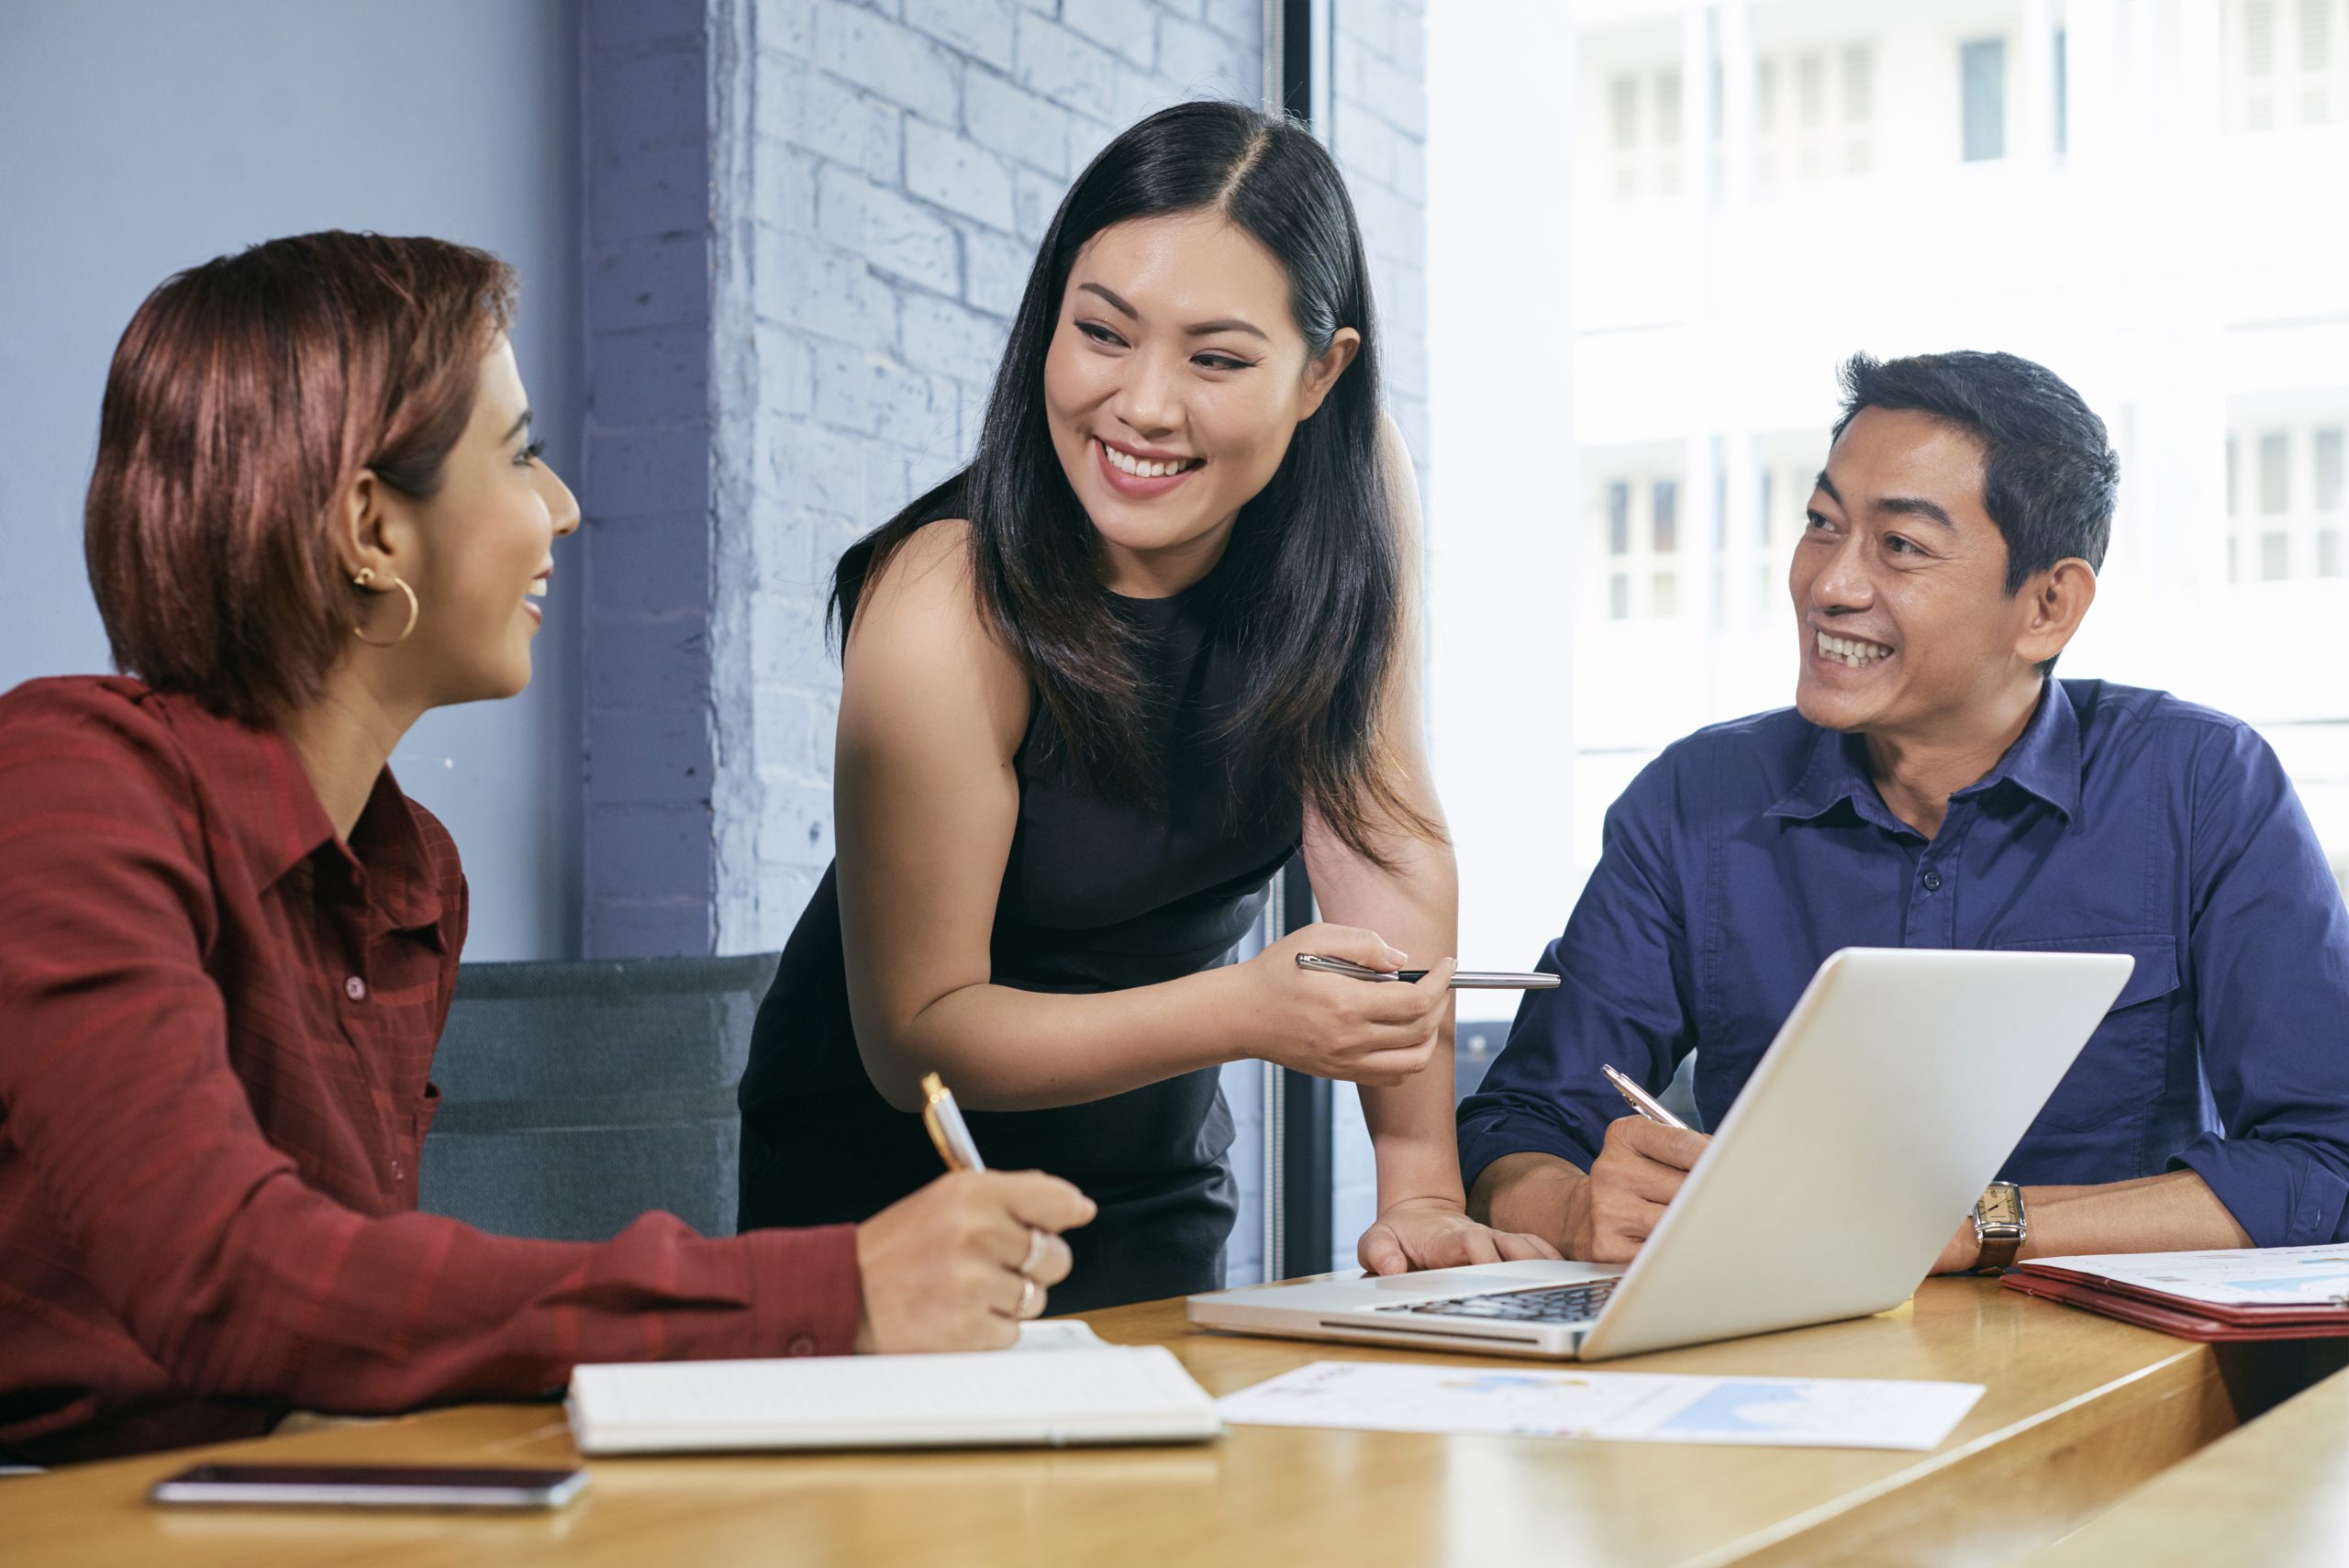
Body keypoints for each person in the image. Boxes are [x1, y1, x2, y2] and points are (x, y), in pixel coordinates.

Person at [0, 232, 1092, 1466]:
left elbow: (345, 1331)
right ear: (371, 527)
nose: (564, 505)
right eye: (519, 455)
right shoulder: (66, 783)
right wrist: (831, 1292)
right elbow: (231, 1277)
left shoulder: (409, 876)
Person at [738, 100, 1553, 1309]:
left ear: (1322, 373)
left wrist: (1422, 1185)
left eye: (1218, 358)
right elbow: (916, 1033)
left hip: (1155, 1170)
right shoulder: (942, 599)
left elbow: (1378, 830)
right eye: (1104, 334)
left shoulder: (1352, 495)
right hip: (897, 1196)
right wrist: (1246, 1010)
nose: (1144, 407)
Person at [1462, 350, 2349, 1272]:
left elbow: (2323, 1161)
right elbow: (1521, 1121)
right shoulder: (1694, 799)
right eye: (1819, 523)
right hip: (1775, 1360)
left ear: (2047, 604)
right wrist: (1575, 1208)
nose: (1829, 584)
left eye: (1900, 546)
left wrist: (1971, 1226)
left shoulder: (2199, 782)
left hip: (2114, 1372)